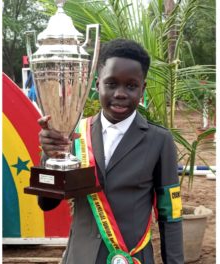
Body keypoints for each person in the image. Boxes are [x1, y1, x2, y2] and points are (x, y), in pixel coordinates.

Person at [38, 39, 183, 263]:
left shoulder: (159, 140)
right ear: (97, 85)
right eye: (111, 84)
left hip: (132, 257)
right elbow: (46, 204)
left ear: (142, 89)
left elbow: (169, 214)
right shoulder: (71, 134)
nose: (120, 94)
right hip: (80, 257)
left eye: (131, 86)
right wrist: (50, 157)